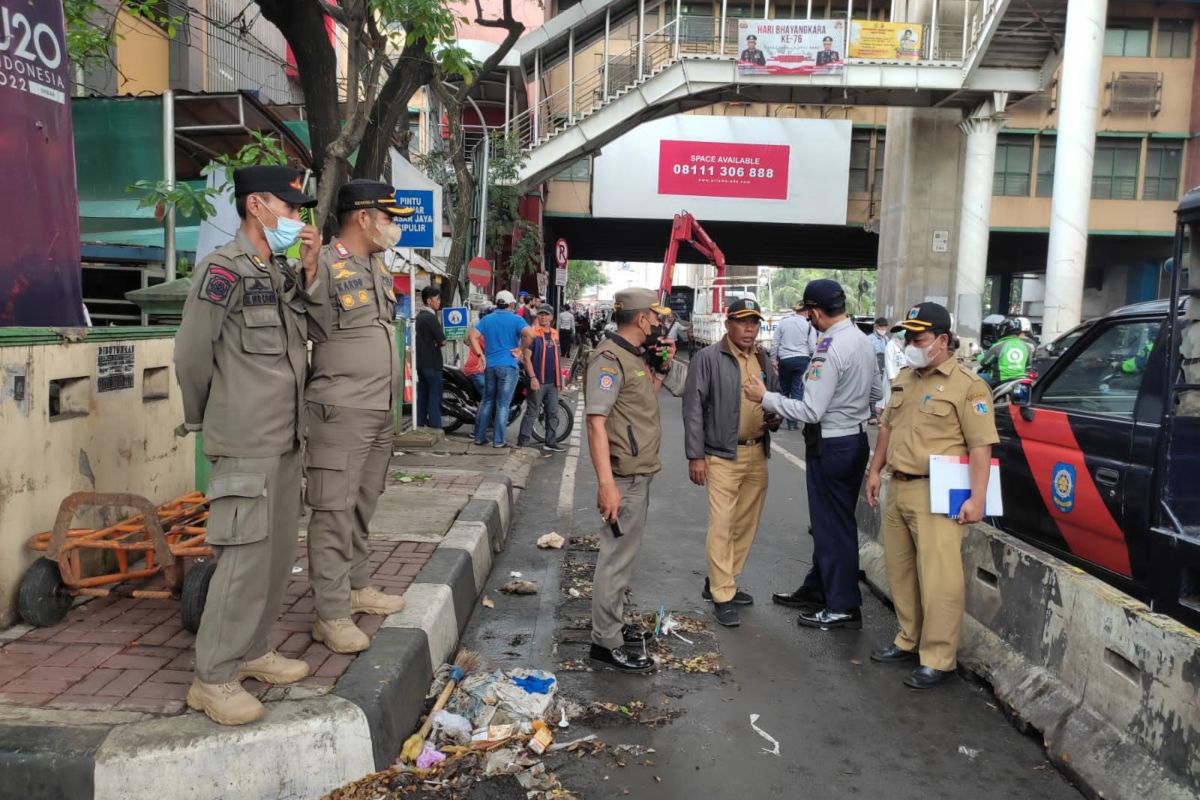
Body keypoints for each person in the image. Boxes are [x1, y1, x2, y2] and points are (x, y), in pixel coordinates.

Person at [174, 165, 321, 725]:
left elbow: (311, 326)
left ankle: (255, 649)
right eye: (289, 208)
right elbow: (192, 353)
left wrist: (309, 268)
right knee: (242, 559)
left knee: (277, 553)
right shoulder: (223, 269)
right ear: (256, 205)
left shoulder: (279, 270)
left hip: (285, 438)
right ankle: (212, 677)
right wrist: (211, 418)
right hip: (245, 438)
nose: (297, 218)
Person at [304, 180, 413, 655]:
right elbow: (303, 309)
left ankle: (357, 585)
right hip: (340, 409)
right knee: (333, 511)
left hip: (376, 409)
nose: (393, 228)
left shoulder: (375, 267)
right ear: (364, 218)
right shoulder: (324, 264)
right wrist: (304, 266)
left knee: (363, 504)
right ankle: (330, 614)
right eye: (388, 218)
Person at [864, 302, 999, 689]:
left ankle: (939, 658)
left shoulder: (968, 386)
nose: (910, 343)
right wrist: (874, 472)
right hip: (899, 486)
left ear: (942, 340)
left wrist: (977, 498)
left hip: (938, 492)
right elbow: (887, 430)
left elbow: (980, 447)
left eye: (918, 337)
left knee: (940, 578)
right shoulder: (905, 378)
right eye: (907, 336)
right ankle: (908, 639)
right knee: (900, 570)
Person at [744, 279, 877, 631]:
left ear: (815, 311)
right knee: (836, 522)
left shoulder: (829, 347)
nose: (809, 321)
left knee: (831, 527)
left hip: (831, 444)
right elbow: (877, 391)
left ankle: (843, 605)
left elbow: (811, 409)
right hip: (854, 439)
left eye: (809, 315)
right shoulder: (862, 341)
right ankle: (820, 588)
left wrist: (766, 397)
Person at [585, 287, 675, 673]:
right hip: (624, 477)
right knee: (615, 559)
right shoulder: (609, 358)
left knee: (624, 557)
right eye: (656, 317)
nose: (659, 323)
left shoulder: (632, 356)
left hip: (639, 474)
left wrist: (662, 369)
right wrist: (607, 483)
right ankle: (605, 642)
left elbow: (639, 402)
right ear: (641, 319)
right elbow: (595, 421)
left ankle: (614, 627)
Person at [682, 299, 781, 628]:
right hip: (721, 454)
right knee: (722, 523)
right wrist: (695, 455)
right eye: (742, 322)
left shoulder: (764, 358)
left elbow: (775, 397)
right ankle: (722, 594)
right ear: (728, 324)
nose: (749, 329)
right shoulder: (708, 358)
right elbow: (693, 408)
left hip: (757, 451)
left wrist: (775, 417)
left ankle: (723, 580)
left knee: (745, 524)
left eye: (754, 322)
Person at [468, 290, 533, 448]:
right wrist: (520, 349)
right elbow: (530, 335)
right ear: (511, 304)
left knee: (487, 401)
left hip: (490, 366)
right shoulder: (516, 319)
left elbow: (472, 336)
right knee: (503, 404)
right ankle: (498, 441)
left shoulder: (487, 320)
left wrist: (480, 355)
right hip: (508, 367)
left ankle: (479, 437)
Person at [518, 304, 565, 452]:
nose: (543, 317)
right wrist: (532, 378)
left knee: (552, 413)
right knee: (532, 412)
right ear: (537, 316)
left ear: (552, 317)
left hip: (552, 382)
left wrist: (560, 380)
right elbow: (526, 357)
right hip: (537, 380)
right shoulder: (533, 333)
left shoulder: (555, 334)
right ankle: (523, 442)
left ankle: (550, 442)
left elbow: (557, 357)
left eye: (546, 314)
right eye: (541, 314)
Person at [770, 302, 816, 431]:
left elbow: (775, 343)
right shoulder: (809, 327)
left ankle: (779, 417)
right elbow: (812, 348)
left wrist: (773, 359)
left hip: (785, 360)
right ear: (807, 312)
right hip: (802, 360)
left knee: (784, 390)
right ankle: (792, 423)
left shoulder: (783, 323)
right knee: (797, 390)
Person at [415, 285, 446, 430]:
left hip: (420, 363)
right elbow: (443, 341)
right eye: (437, 299)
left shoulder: (419, 317)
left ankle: (419, 422)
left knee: (422, 395)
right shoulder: (431, 317)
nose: (439, 302)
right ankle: (435, 426)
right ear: (429, 301)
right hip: (433, 363)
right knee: (434, 396)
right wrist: (437, 342)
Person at [976, 317, 1034, 387]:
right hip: (1020, 379)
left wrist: (978, 356)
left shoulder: (999, 345)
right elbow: (1028, 364)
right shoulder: (1027, 347)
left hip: (999, 379)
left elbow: (984, 362)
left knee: (973, 378)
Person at [868, 317, 890, 424]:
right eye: (881, 326)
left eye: (885, 327)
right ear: (876, 326)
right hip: (873, 366)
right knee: (873, 389)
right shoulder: (869, 339)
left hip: (884, 367)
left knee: (882, 389)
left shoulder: (886, 339)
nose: (883, 328)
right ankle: (872, 414)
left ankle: (879, 413)